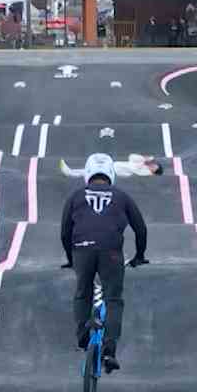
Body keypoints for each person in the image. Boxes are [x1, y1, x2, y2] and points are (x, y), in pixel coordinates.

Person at [59, 153, 147, 373]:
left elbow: (65, 232)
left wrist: (70, 259)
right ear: (111, 174)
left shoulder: (76, 196)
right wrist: (139, 255)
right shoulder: (122, 196)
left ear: (88, 173)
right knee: (113, 299)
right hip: (112, 253)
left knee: (83, 292)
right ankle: (109, 351)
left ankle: (82, 338)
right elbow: (141, 228)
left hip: (82, 251)